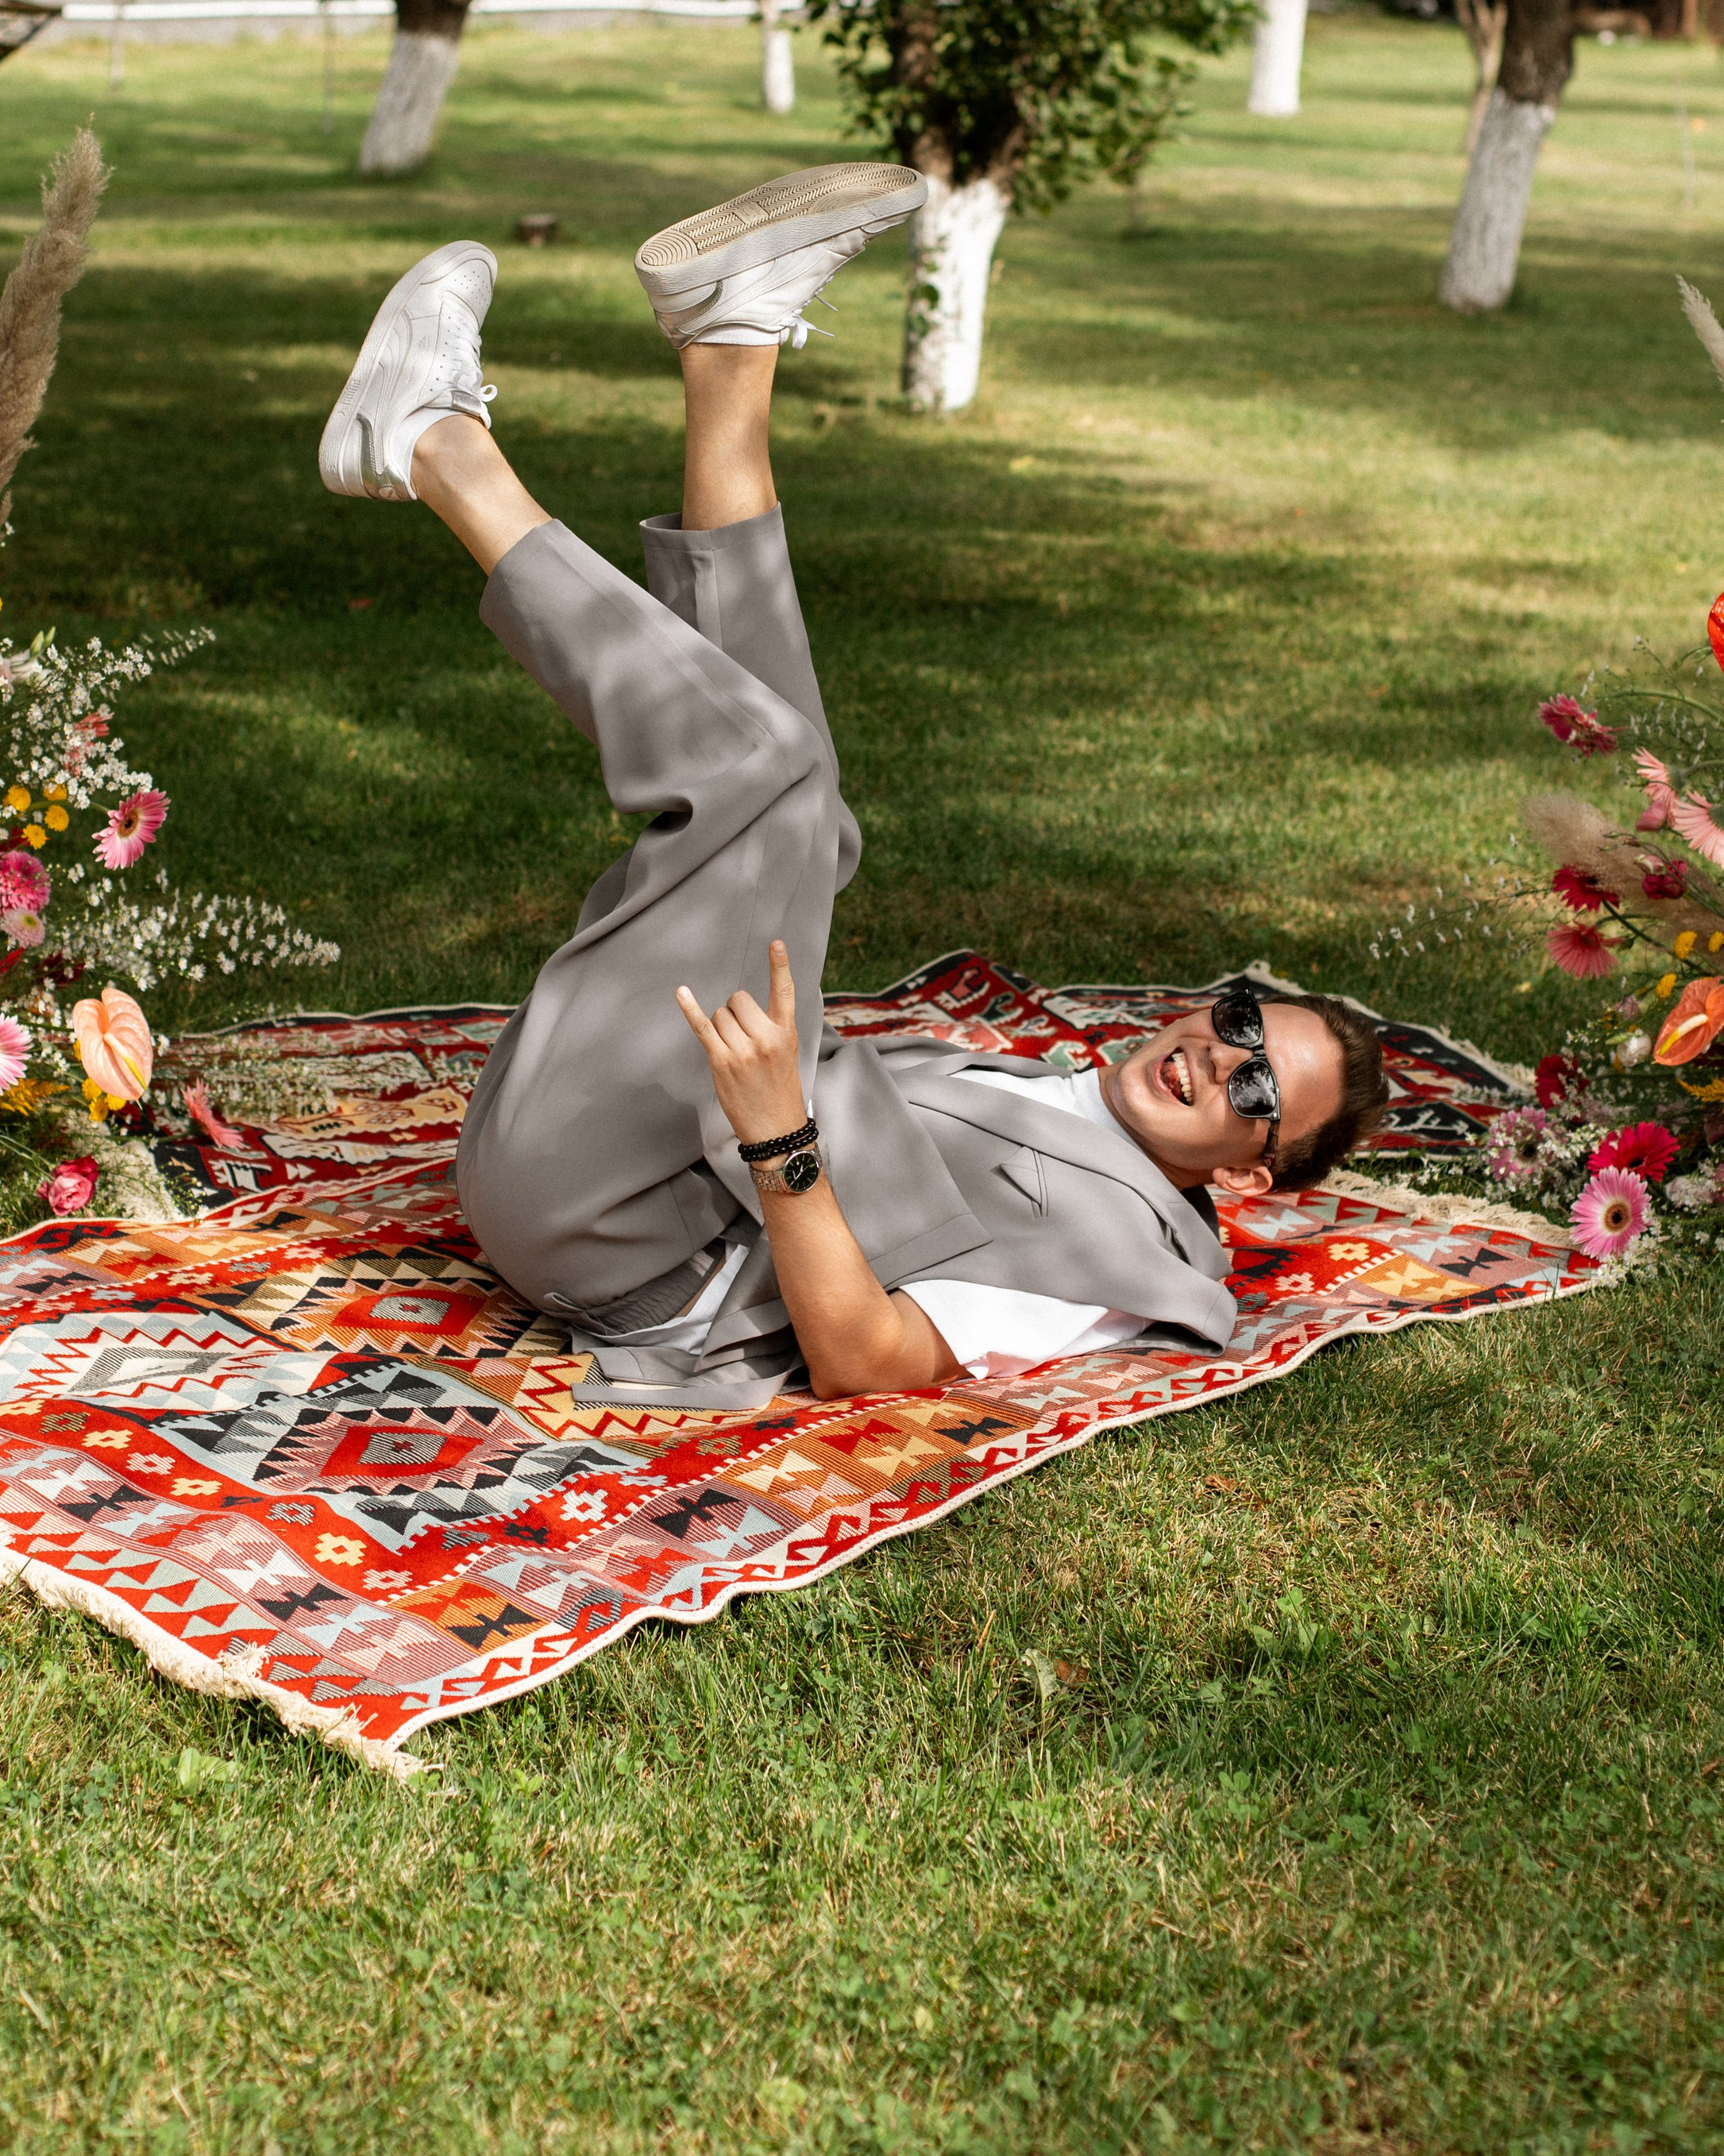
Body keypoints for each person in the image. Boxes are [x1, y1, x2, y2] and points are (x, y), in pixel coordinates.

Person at [319, 164, 1388, 1407]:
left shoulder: (1137, 1260)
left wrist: (783, 1141)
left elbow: (867, 1363)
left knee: (763, 783)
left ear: (1252, 1178)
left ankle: (431, 444)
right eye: (1244, 1020)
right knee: (812, 824)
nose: (1220, 1055)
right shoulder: (1043, 1080)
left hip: (618, 1231)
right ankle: (730, 348)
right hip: (643, 1128)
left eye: (1258, 1090)